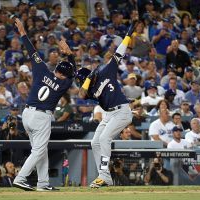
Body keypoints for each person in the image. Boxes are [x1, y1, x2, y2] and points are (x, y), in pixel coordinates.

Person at [12, 18, 76, 191]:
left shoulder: (42, 70)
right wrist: (69, 54)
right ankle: (20, 177)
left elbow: (32, 51)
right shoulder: (63, 84)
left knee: (40, 150)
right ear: (64, 74)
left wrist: (23, 33)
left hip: (27, 114)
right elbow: (74, 73)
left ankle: (43, 183)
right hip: (42, 117)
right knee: (39, 150)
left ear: (56, 70)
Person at [76, 21, 137, 188]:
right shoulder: (87, 90)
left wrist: (127, 37)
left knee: (104, 139)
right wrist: (88, 80)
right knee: (94, 142)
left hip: (121, 112)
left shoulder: (105, 70)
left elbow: (119, 54)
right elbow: (81, 93)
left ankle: (103, 175)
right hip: (109, 114)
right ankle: (106, 177)